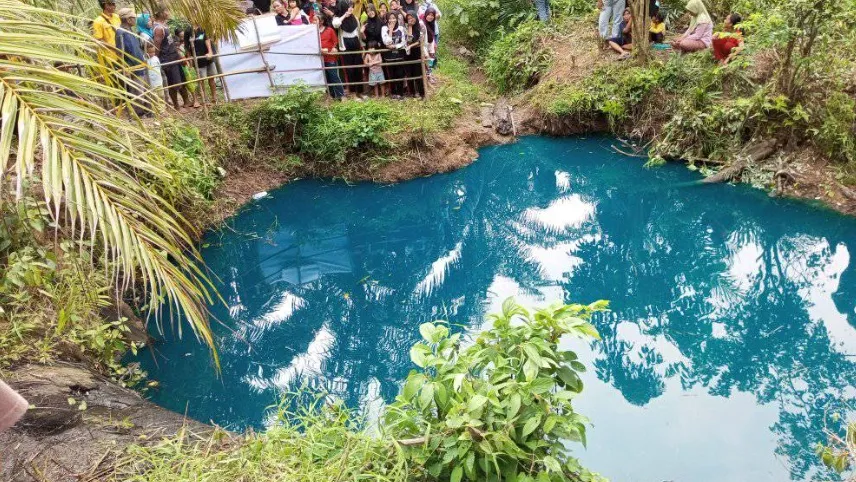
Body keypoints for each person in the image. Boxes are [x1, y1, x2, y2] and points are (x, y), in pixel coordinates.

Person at [152, 6, 191, 111]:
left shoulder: (164, 25)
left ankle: (186, 102)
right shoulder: (159, 29)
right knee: (174, 84)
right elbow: (157, 47)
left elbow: (171, 44)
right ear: (161, 13)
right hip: (168, 60)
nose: (168, 12)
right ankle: (177, 106)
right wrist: (159, 61)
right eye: (166, 10)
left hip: (174, 57)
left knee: (182, 80)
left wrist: (179, 56)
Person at [115, 8, 149, 115]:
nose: (135, 20)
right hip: (132, 67)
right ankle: (138, 114)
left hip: (140, 64)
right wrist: (124, 67)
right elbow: (120, 52)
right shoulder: (121, 32)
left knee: (143, 90)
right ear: (128, 19)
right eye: (133, 18)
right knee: (137, 92)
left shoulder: (130, 31)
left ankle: (145, 111)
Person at [333, 0, 364, 95]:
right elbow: (336, 24)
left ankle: (360, 91)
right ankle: (353, 92)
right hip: (345, 45)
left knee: (358, 68)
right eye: (348, 7)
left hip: (355, 43)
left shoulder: (354, 17)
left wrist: (361, 44)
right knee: (349, 70)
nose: (350, 9)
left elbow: (358, 32)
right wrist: (344, 16)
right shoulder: (337, 18)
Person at [188, 25, 218, 104]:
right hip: (198, 60)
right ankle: (204, 98)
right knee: (201, 81)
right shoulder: (188, 31)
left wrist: (210, 52)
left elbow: (207, 40)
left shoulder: (203, 27)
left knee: (211, 78)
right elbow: (186, 46)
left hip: (208, 58)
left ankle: (214, 97)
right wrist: (190, 58)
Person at [318, 15, 346, 98]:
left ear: (322, 21)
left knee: (334, 76)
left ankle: (340, 95)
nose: (314, 22)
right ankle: (332, 96)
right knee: (326, 78)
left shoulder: (329, 30)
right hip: (319, 59)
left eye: (316, 20)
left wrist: (330, 49)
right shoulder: (313, 32)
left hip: (330, 57)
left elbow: (335, 42)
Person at [92, 0, 121, 77]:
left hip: (121, 55)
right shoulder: (98, 21)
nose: (113, 6)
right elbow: (98, 41)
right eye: (110, 4)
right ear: (104, 5)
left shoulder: (117, 17)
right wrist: (114, 48)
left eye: (114, 4)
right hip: (109, 58)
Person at [381, 11, 406, 98]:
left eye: (394, 18)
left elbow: (403, 42)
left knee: (400, 74)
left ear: (396, 18)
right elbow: (386, 42)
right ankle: (394, 93)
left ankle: (400, 93)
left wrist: (395, 46)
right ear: (387, 19)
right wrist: (390, 30)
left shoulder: (401, 28)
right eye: (390, 18)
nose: (392, 20)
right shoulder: (384, 28)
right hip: (389, 57)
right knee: (391, 75)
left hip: (399, 56)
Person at [403, 12, 424, 98]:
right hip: (408, 54)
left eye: (412, 18)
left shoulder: (421, 26)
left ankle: (421, 93)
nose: (410, 20)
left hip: (417, 52)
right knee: (409, 73)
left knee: (418, 73)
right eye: (408, 19)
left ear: (416, 17)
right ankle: (411, 93)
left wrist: (411, 45)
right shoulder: (405, 28)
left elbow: (419, 41)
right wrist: (410, 27)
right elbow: (408, 40)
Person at [421, 7, 437, 82]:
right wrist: (425, 51)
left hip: (429, 44)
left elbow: (432, 35)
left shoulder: (432, 23)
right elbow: (421, 39)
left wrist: (433, 46)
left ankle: (429, 75)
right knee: (426, 60)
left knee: (430, 60)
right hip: (423, 45)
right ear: (426, 14)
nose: (430, 17)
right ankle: (428, 77)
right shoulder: (422, 23)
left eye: (432, 15)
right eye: (429, 15)